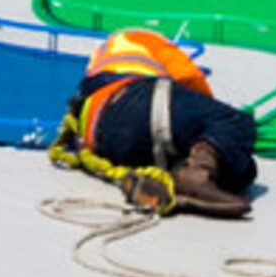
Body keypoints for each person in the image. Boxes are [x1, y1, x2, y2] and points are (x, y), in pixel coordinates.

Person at [53, 27, 258, 216]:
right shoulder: (146, 39)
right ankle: (195, 176)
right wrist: (209, 117)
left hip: (102, 137)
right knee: (236, 124)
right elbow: (189, 76)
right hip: (137, 100)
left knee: (239, 166)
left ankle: (173, 183)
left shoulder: (98, 59)